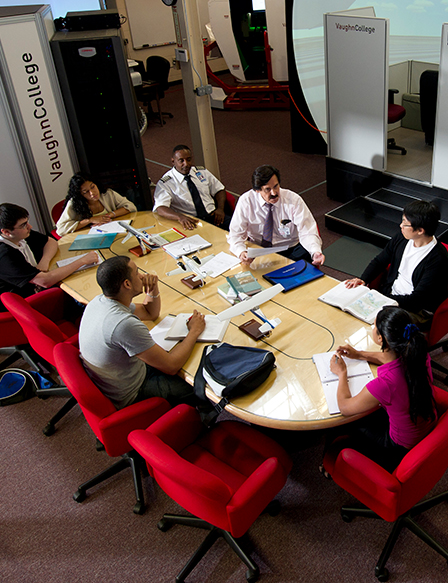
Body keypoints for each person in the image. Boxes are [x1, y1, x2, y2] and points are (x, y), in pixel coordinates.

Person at [78, 255, 206, 410]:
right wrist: (194, 331)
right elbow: (171, 366)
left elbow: (149, 312)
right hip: (133, 392)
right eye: (137, 273)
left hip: (121, 375)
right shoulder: (122, 324)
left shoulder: (100, 301)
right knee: (200, 387)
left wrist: (152, 289)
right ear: (127, 284)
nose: (142, 276)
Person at [328, 306, 438, 472]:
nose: (372, 329)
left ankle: (329, 461)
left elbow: (345, 406)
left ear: (381, 339)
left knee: (342, 422)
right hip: (426, 422)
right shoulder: (418, 353)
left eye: (374, 326)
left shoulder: (387, 382)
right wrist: (359, 354)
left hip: (398, 445)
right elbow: (387, 358)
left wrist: (341, 373)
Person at [345, 199, 448, 325]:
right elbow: (380, 260)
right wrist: (363, 279)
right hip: (391, 295)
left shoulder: (438, 259)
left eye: (405, 224)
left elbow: (417, 300)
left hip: (415, 309)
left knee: (377, 324)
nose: (401, 226)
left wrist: (381, 299)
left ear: (420, 230)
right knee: (351, 307)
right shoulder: (403, 238)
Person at [0, 203, 99, 311]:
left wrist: (44, 261)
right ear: (6, 232)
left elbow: (51, 242)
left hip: (40, 284)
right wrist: (82, 261)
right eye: (23, 225)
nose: (29, 226)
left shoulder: (19, 234)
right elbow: (44, 281)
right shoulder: (5, 255)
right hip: (26, 303)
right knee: (84, 294)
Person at [227, 164, 325, 266]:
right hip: (259, 250)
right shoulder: (246, 201)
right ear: (257, 190)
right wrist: (241, 252)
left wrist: (315, 251)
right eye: (267, 189)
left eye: (276, 186)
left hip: (290, 248)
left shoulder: (293, 200)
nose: (274, 193)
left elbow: (307, 231)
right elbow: (235, 235)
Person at [153, 144, 231, 231]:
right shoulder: (166, 183)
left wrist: (220, 209)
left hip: (214, 216)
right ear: (173, 161)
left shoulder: (201, 172)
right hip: (193, 221)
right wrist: (180, 217)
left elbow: (219, 189)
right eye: (181, 161)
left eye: (188, 160)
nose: (186, 164)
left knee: (242, 228)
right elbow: (161, 208)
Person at [56, 173, 137, 237]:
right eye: (86, 192)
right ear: (80, 195)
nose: (92, 193)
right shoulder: (74, 203)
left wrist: (109, 215)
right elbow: (60, 229)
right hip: (89, 239)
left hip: (114, 234)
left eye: (93, 187)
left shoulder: (107, 193)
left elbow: (130, 207)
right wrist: (90, 220)